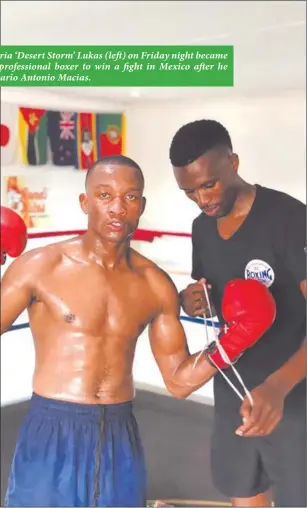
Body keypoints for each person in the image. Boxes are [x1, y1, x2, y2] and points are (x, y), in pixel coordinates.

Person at [1, 155, 276, 508]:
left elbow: (178, 381)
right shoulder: (39, 268)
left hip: (119, 430)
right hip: (52, 426)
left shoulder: (154, 284)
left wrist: (232, 341)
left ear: (141, 205)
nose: (118, 208)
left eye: (130, 197)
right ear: (85, 202)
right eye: (104, 195)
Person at [169, 119, 307, 508]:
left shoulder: (291, 219)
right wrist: (191, 301)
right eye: (189, 191)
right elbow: (216, 299)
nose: (202, 200)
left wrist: (278, 388)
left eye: (208, 184)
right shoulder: (202, 228)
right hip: (232, 391)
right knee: (244, 492)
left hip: (294, 396)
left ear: (233, 162)